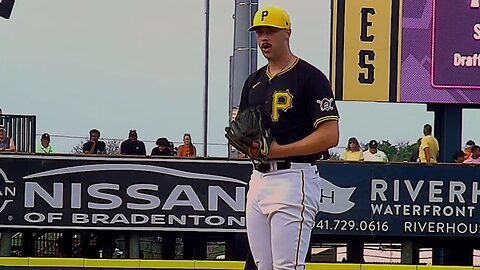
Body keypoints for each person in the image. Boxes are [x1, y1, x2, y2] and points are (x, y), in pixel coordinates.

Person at [240, 6, 339, 270]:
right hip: (258, 179)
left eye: (270, 31)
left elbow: (330, 135)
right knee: (262, 267)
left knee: (288, 267)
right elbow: (242, 128)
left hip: (294, 178)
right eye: (259, 32)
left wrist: (278, 150)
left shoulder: (310, 77)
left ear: (287, 33)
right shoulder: (253, 81)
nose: (263, 38)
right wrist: (246, 145)